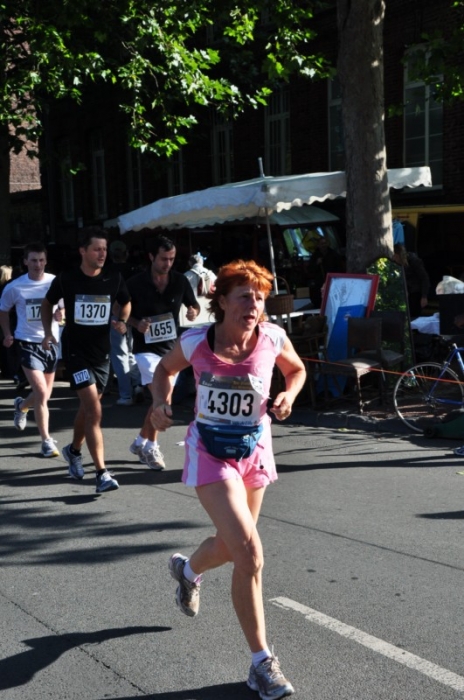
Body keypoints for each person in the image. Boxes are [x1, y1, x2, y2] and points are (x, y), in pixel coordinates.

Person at [150, 259, 305, 699]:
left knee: (232, 545)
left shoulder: (272, 337)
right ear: (221, 301)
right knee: (250, 553)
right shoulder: (197, 341)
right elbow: (164, 370)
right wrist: (160, 403)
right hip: (210, 453)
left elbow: (296, 371)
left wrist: (288, 395)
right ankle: (261, 664)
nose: (254, 305)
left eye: (259, 298)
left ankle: (187, 571)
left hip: (254, 450)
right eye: (244, 297)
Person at [41, 227, 131, 493]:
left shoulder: (114, 277)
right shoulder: (67, 278)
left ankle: (73, 450)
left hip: (101, 355)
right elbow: (47, 304)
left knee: (87, 409)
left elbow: (126, 302)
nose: (102, 254)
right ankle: (102, 474)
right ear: (83, 251)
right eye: (97, 249)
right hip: (76, 353)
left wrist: (122, 321)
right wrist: (48, 332)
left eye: (105, 249)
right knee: (94, 410)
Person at [126, 235, 200, 470]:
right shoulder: (135, 283)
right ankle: (151, 447)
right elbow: (120, 310)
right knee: (163, 396)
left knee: (163, 396)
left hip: (171, 351)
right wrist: (136, 323)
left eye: (172, 259)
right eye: (163, 259)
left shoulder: (180, 281)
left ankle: (140, 440)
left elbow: (194, 304)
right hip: (145, 350)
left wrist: (193, 311)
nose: (168, 263)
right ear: (151, 257)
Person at [0, 243, 63, 457]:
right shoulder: (15, 286)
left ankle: (21, 406)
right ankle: (46, 441)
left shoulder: (55, 282)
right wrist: (7, 333)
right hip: (26, 343)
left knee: (44, 394)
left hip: (51, 343)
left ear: (46, 261)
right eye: (34, 260)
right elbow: (3, 310)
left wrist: (61, 314)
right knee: (42, 393)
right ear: (25, 261)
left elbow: (63, 306)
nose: (38, 264)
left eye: (41, 260)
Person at [106, 239, 143, 406]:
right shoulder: (135, 270)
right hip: (134, 316)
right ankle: (137, 385)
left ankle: (126, 394)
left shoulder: (107, 272)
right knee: (131, 352)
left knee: (119, 354)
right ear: (126, 253)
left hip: (115, 315)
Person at [393, 243, 430, 319]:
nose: (394, 259)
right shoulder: (397, 264)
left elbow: (424, 278)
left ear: (397, 255)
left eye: (395, 257)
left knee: (415, 315)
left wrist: (424, 296)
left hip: (416, 292)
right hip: (407, 292)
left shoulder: (414, 261)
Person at [306, 235, 344, 308]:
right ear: (318, 245)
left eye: (325, 243)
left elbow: (339, 268)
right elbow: (310, 269)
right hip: (319, 282)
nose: (323, 245)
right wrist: (317, 263)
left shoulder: (334, 254)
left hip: (332, 281)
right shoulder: (315, 255)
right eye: (321, 244)